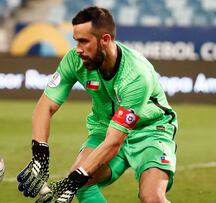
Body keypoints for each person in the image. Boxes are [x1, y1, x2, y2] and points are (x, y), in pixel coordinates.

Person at [17, 6, 178, 203]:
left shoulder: (136, 75)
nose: (78, 49)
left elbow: (114, 142)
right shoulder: (74, 60)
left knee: (151, 197)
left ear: (105, 40)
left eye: (84, 41)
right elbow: (45, 106)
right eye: (76, 41)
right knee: (82, 182)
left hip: (150, 130)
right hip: (103, 128)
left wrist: (74, 179)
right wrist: (40, 153)